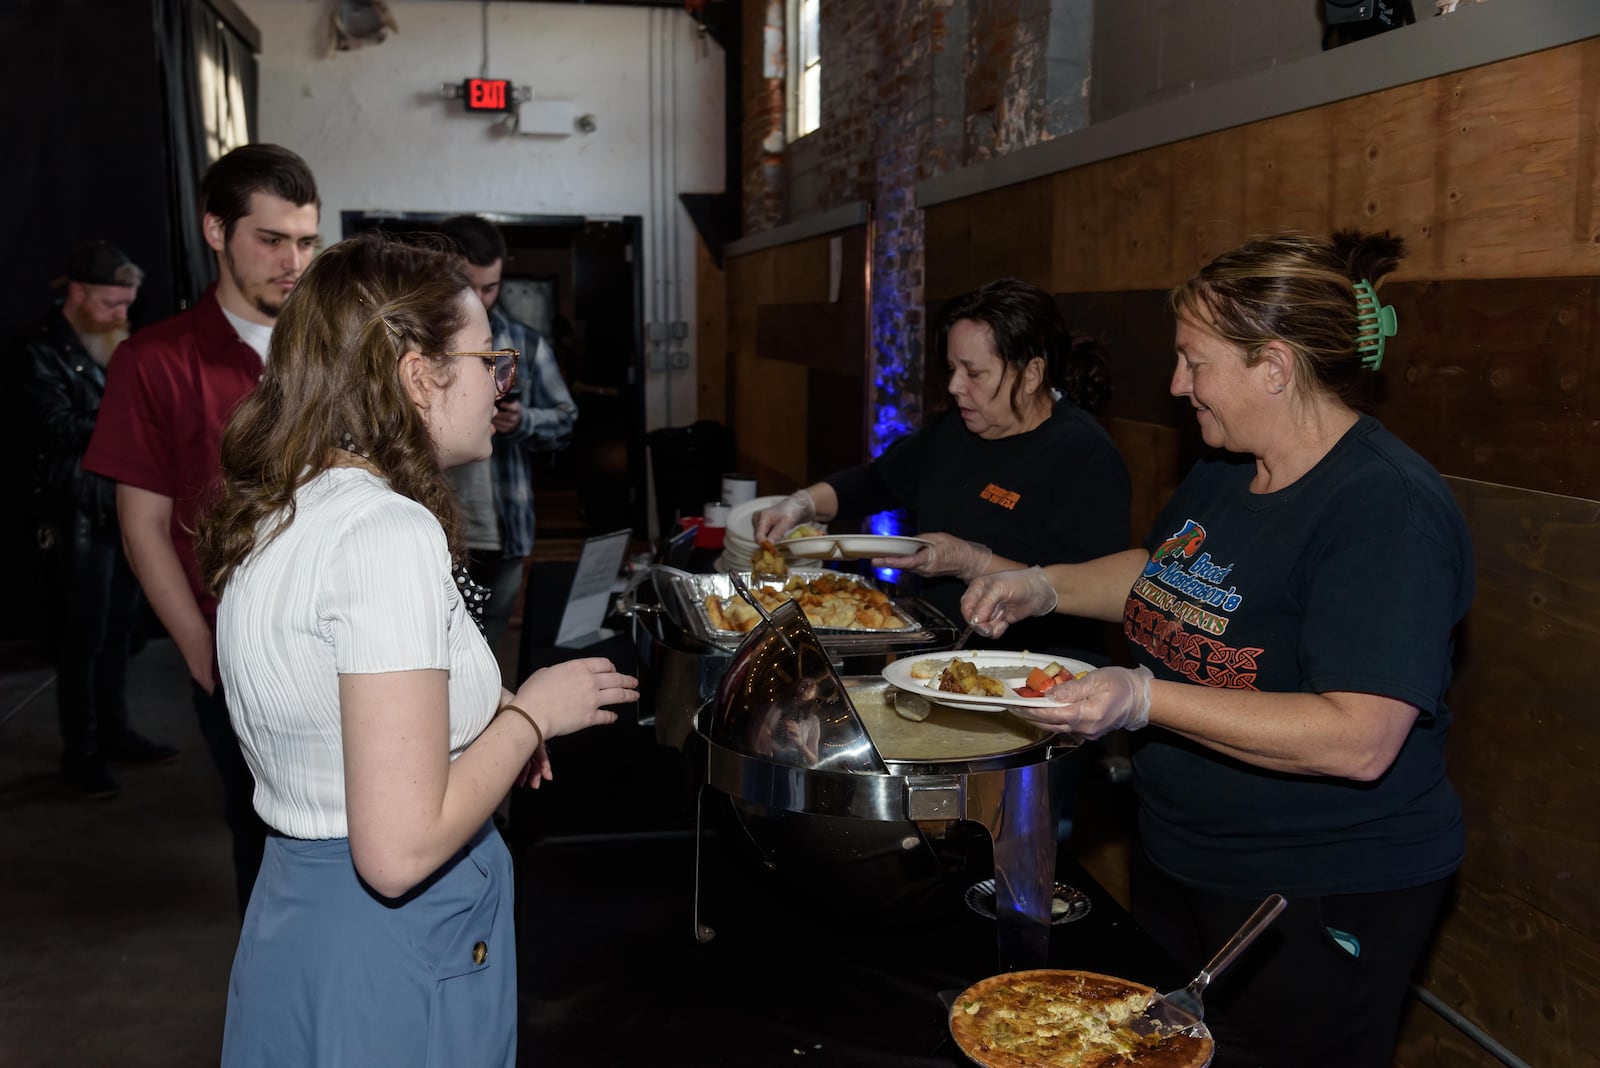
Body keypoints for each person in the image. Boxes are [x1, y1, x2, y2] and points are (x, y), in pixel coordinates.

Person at [961, 231, 1472, 1068]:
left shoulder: (1386, 510)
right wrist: (1042, 585)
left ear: (1274, 365)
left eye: (1194, 363)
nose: (1176, 385)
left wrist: (1142, 697)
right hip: (1184, 855)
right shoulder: (1231, 466)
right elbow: (1163, 575)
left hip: (1313, 887)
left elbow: (1359, 737)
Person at [194, 230, 636, 1066]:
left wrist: (480, 723)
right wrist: (532, 717)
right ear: (416, 374)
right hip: (391, 954)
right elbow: (396, 851)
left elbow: (333, 716)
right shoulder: (385, 532)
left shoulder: (291, 505)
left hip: (300, 922)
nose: (499, 387)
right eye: (484, 360)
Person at [83, 144, 321, 912]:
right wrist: (200, 653)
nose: (293, 261)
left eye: (307, 241)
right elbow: (143, 527)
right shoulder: (154, 360)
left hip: (349, 636)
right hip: (241, 650)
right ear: (216, 231)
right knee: (268, 841)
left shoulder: (333, 353)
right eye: (272, 240)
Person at [753, 277, 1131, 663]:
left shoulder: (1084, 455)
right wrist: (799, 505)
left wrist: (973, 562)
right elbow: (875, 481)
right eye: (952, 368)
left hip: (1034, 674)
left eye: (973, 372)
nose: (954, 385)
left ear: (1031, 374)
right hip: (938, 659)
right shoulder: (956, 428)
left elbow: (1088, 591)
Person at [19, 241, 176, 799]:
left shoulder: (115, 344)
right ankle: (79, 752)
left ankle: (114, 732)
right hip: (76, 512)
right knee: (82, 638)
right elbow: (53, 429)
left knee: (119, 634)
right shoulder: (39, 351)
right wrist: (129, 412)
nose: (121, 316)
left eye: (127, 305)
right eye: (111, 304)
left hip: (123, 506)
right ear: (79, 294)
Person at [435, 214, 578, 659]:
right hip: (433, 529)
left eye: (490, 288)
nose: (478, 299)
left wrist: (523, 422)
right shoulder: (415, 341)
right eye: (466, 285)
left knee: (489, 655)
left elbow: (565, 420)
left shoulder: (526, 343)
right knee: (433, 651)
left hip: (503, 531)